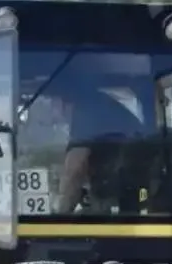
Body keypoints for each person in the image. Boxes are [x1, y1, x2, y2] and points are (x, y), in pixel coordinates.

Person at [49, 78, 147, 213]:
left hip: (112, 193)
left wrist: (60, 215)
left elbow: (75, 169)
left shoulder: (86, 112)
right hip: (133, 191)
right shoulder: (103, 106)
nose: (52, 112)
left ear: (63, 100)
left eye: (51, 102)